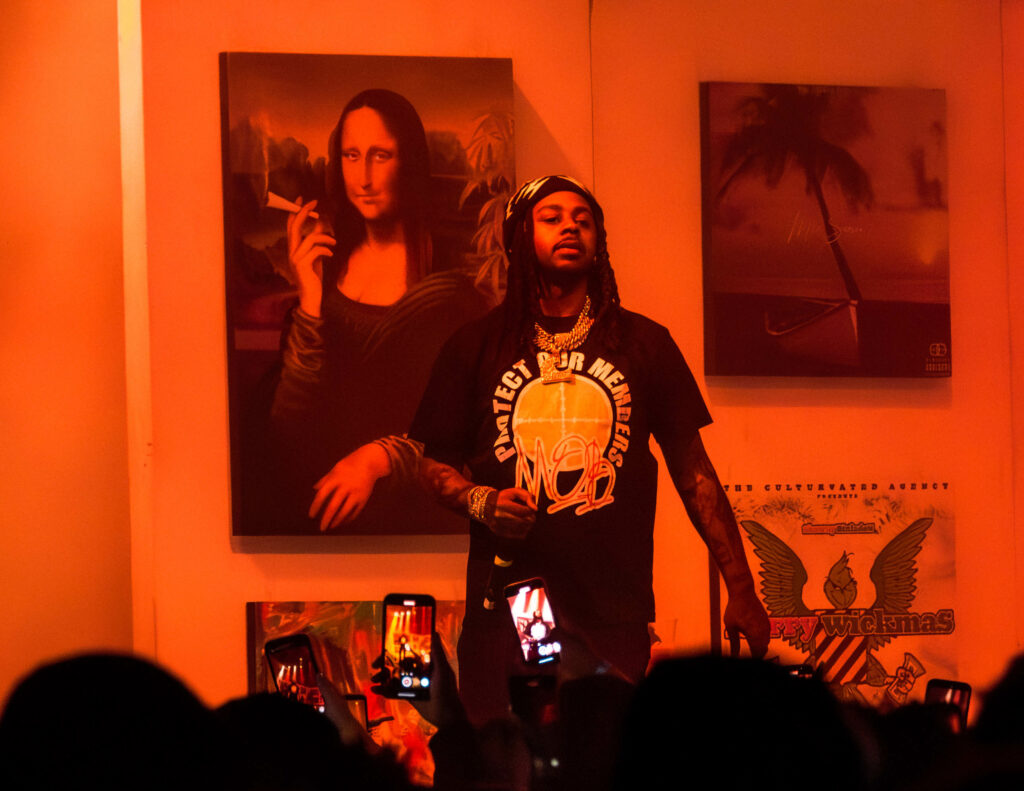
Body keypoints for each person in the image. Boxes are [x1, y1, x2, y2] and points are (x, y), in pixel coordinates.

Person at [405, 175, 771, 724]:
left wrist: (741, 587)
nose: (571, 228)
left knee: (603, 755)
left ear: (599, 240)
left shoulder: (645, 343)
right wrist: (483, 502)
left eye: (583, 219)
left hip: (610, 606)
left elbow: (693, 470)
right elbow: (432, 464)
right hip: (507, 602)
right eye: (552, 218)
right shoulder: (474, 346)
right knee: (505, 755)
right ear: (517, 238)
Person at [247, 88, 488, 534]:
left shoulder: (452, 285)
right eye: (351, 156)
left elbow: (464, 425)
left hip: (413, 517)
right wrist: (311, 300)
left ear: (409, 162)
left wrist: (378, 460)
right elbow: (290, 426)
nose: (363, 177)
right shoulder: (326, 269)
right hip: (319, 511)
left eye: (380, 155)